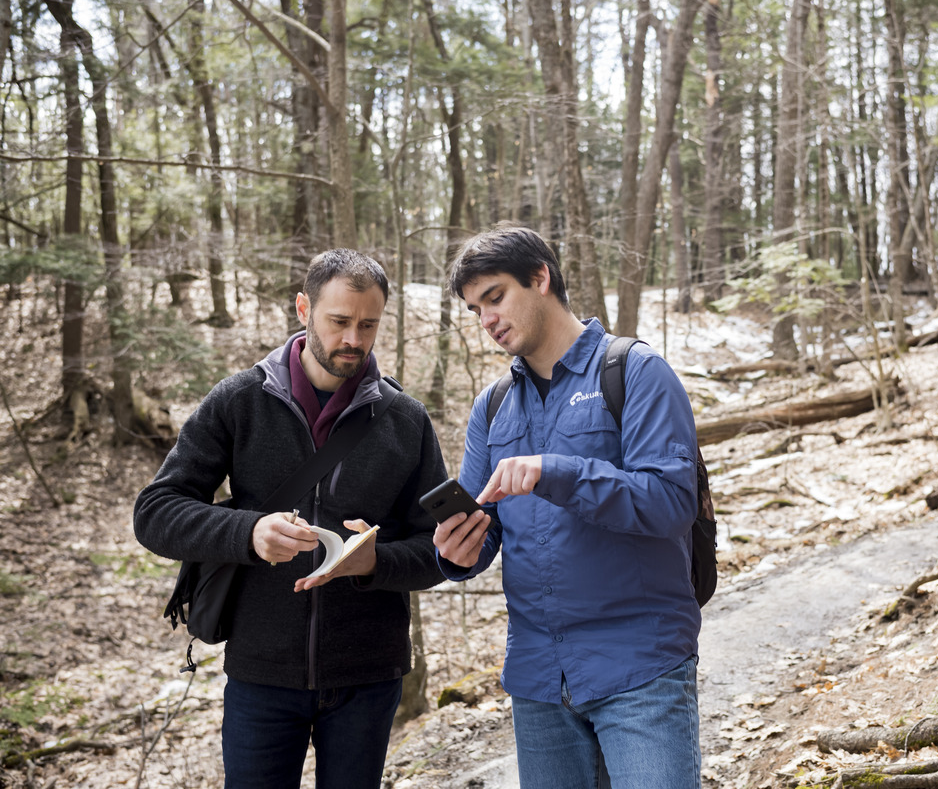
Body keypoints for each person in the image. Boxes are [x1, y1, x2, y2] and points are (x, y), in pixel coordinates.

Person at [134, 249, 448, 789]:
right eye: (340, 321)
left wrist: (377, 564)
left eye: (368, 325)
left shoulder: (406, 420)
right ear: (303, 308)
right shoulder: (238, 402)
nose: (354, 338)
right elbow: (155, 513)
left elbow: (438, 550)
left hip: (368, 675)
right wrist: (247, 532)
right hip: (261, 672)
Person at [433, 225, 702, 788]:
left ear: (541, 277)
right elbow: (483, 531)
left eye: (496, 297)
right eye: (475, 308)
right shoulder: (493, 407)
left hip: (640, 670)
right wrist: (459, 552)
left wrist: (557, 472)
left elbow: (672, 503)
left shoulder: (634, 372)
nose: (486, 320)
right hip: (537, 681)